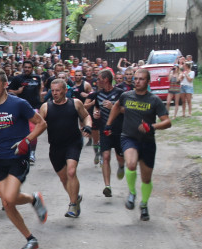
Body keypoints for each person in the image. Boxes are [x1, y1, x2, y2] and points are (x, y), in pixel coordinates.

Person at [0, 68, 48, 249]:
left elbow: (42, 123)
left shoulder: (19, 104)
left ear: (5, 85)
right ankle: (31, 237)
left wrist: (27, 141)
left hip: (18, 156)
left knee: (9, 197)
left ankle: (33, 201)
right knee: (8, 203)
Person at [105, 68, 171, 221]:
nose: (138, 81)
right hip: (129, 137)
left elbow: (167, 122)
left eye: (141, 79)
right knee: (131, 164)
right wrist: (108, 125)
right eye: (136, 78)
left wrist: (152, 126)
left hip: (147, 141)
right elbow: (116, 107)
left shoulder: (154, 100)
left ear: (148, 82)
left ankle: (144, 204)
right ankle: (132, 193)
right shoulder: (126, 96)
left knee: (146, 179)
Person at [38, 79, 92, 218]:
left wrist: (88, 126)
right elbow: (37, 124)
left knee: (71, 171)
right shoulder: (46, 107)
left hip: (73, 143)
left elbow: (86, 116)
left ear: (65, 91)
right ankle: (75, 198)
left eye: (58, 90)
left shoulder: (75, 103)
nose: (54, 93)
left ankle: (72, 205)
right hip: (55, 146)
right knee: (64, 179)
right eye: (53, 90)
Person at [88, 69, 127, 196]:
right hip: (104, 131)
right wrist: (96, 114)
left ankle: (121, 166)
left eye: (98, 79)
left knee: (120, 158)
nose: (97, 81)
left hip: (119, 131)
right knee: (105, 157)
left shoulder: (121, 93)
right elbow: (97, 108)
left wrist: (114, 107)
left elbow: (128, 110)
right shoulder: (98, 94)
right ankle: (107, 186)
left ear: (106, 80)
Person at [9, 59, 43, 164]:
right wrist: (17, 91)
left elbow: (40, 90)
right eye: (26, 67)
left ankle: (32, 153)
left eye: (29, 67)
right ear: (23, 68)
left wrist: (41, 103)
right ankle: (20, 150)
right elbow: (9, 91)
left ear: (32, 68)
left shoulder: (37, 78)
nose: (27, 69)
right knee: (20, 130)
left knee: (33, 130)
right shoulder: (17, 78)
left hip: (34, 107)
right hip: (20, 107)